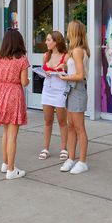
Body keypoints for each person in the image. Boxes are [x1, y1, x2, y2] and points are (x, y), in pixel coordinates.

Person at [0, 29, 29, 180]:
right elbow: (24, 82)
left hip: (1, 93)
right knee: (13, 135)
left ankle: (5, 163)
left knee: (6, 133)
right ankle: (11, 170)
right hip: (14, 94)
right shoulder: (22, 59)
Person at [59, 20, 90, 174]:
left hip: (77, 90)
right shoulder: (75, 50)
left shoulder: (78, 51)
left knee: (79, 128)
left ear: (73, 32)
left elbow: (80, 75)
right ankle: (71, 158)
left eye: (69, 29)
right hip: (72, 90)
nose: (67, 32)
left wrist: (64, 77)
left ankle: (82, 161)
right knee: (71, 126)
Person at [38, 31, 69, 161]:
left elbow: (70, 74)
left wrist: (64, 68)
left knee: (62, 121)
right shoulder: (46, 55)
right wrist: (44, 73)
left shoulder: (66, 56)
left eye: (48, 40)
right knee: (47, 120)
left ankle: (64, 148)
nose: (46, 42)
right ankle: (45, 148)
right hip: (47, 89)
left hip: (60, 89)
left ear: (56, 42)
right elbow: (42, 71)